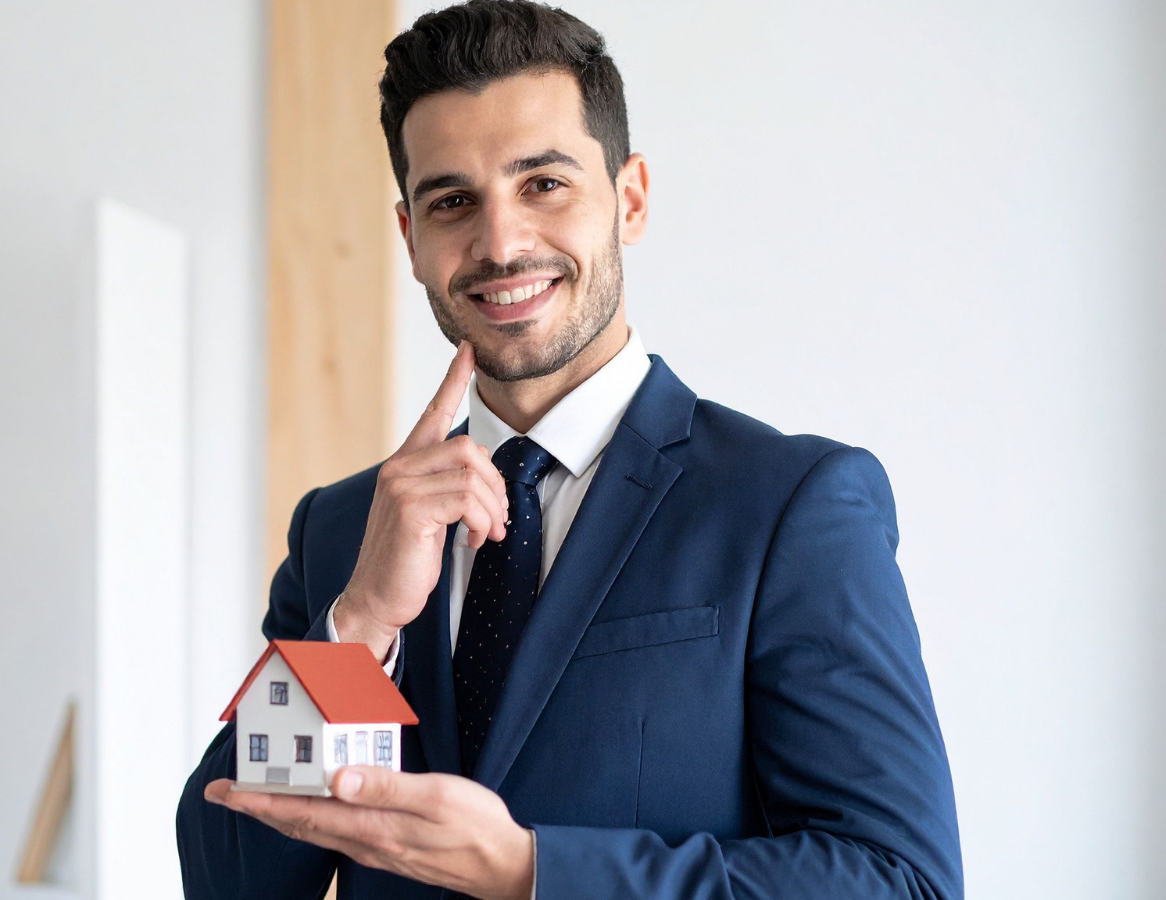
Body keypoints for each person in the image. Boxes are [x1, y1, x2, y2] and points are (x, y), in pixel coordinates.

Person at [177, 2, 963, 898]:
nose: (501, 244)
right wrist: (354, 631)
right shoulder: (341, 532)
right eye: (452, 202)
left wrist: (531, 871)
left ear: (629, 199)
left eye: (543, 184)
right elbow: (225, 876)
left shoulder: (790, 506)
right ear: (411, 238)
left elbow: (900, 880)